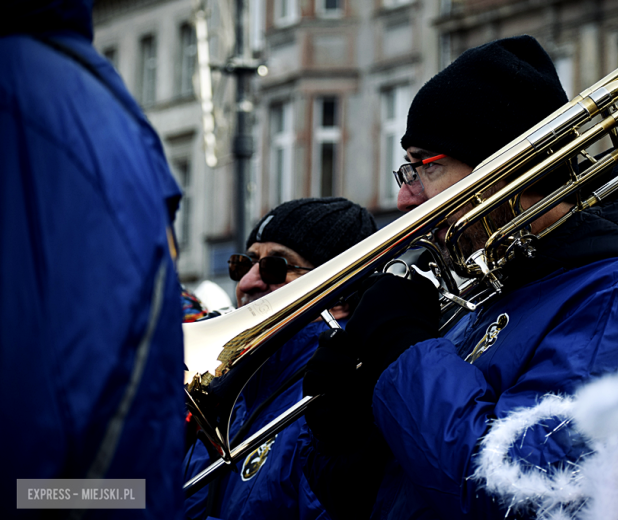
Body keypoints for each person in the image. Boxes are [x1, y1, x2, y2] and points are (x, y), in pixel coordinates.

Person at [301, 36, 618, 519]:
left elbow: (519, 495)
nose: (405, 198)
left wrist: (402, 349)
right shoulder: (501, 285)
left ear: (507, 169)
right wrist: (350, 428)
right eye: (407, 170)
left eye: (426, 165)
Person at [1, 1, 185, 518]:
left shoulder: (24, 88)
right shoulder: (97, 101)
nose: (252, 279)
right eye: (243, 262)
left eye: (278, 265)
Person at [183, 197, 377, 520]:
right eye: (244, 264)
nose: (246, 283)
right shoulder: (239, 392)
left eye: (276, 267)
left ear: (340, 295)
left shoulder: (338, 400)